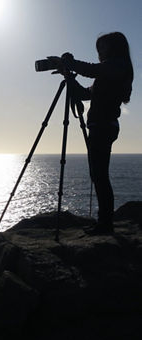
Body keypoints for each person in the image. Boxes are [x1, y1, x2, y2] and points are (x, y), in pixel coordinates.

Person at [54, 32, 134, 234]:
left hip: (104, 126)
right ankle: (104, 222)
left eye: (103, 47)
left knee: (100, 175)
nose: (100, 52)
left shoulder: (118, 66)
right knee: (97, 174)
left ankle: (105, 224)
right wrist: (68, 77)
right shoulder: (107, 74)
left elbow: (91, 70)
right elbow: (84, 93)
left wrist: (69, 63)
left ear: (114, 47)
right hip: (100, 126)